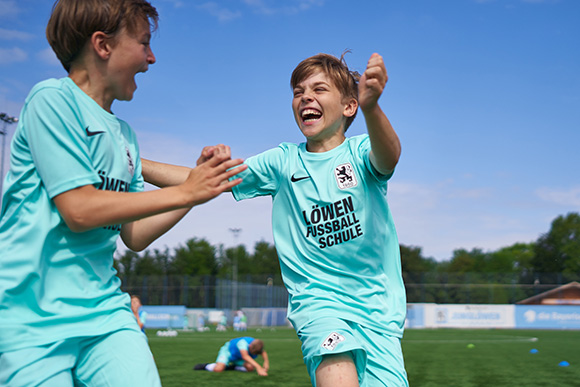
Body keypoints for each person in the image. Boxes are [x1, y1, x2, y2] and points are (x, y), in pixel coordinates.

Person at [0, 1, 246, 386]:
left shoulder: (125, 135)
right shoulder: (52, 101)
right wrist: (185, 192)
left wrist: (196, 190)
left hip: (105, 315)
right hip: (31, 320)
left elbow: (133, 235)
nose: (151, 58)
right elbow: (79, 209)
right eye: (144, 43)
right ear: (103, 45)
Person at [194, 337, 269, 376]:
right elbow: (245, 356)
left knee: (250, 368)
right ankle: (205, 366)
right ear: (249, 346)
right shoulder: (243, 343)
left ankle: (233, 367)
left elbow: (263, 352)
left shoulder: (256, 344)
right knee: (218, 369)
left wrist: (266, 363)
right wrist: (258, 367)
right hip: (228, 353)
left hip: (237, 358)